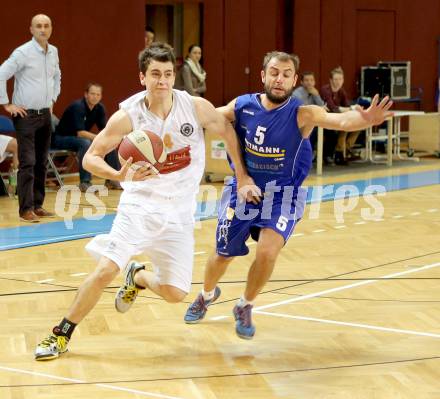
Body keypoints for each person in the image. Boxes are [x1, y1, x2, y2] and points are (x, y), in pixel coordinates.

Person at [34, 43, 257, 360]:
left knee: (175, 293)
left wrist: (243, 175)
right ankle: (60, 335)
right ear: (142, 77)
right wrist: (118, 174)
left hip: (179, 215)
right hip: (139, 208)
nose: (162, 81)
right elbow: (91, 158)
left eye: (168, 74)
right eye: (155, 74)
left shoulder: (194, 107)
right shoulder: (129, 115)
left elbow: (227, 131)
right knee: (105, 270)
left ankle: (138, 276)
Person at [183, 51, 393, 339]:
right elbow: (209, 117)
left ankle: (245, 304)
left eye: (285, 74)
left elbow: (339, 122)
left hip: (283, 194)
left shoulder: (302, 113)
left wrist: (364, 119)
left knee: (268, 252)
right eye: (274, 72)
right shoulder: (243, 106)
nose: (279, 79)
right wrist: (177, 111)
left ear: (294, 81)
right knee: (222, 255)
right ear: (263, 76)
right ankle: (206, 295)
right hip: (243, 190)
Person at [0, 14, 61, 222]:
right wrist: (7, 104)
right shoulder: (22, 53)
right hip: (25, 116)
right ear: (31, 29)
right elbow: (1, 74)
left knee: (42, 162)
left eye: (46, 26)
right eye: (38, 26)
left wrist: (52, 99)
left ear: (51, 28)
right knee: (28, 162)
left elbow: (57, 76)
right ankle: (25, 209)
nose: (43, 29)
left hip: (45, 114)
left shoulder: (53, 51)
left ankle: (38, 204)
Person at [52, 83, 121, 192]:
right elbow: (80, 133)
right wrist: (100, 138)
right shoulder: (78, 107)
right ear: (86, 94)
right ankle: (85, 182)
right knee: (85, 143)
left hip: (78, 140)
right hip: (61, 139)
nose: (95, 97)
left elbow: (105, 131)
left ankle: (112, 178)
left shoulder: (99, 108)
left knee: (109, 142)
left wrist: (109, 139)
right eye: (92, 94)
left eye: (98, 94)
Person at [320, 67, 361, 165]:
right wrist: (351, 109)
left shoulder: (341, 91)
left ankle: (344, 149)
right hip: (326, 119)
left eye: (340, 79)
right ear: (331, 80)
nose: (338, 82)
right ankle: (339, 153)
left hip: (339, 117)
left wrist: (352, 109)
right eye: (336, 79)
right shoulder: (325, 90)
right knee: (344, 127)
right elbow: (332, 108)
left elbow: (346, 105)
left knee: (358, 126)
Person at [292, 71, 327, 152]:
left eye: (311, 80)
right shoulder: (297, 94)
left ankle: (323, 155)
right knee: (314, 130)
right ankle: (308, 152)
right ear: (301, 82)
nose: (309, 83)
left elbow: (323, 107)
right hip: (298, 123)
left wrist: (317, 95)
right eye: (307, 80)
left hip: (311, 121)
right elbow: (303, 111)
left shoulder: (313, 91)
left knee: (329, 131)